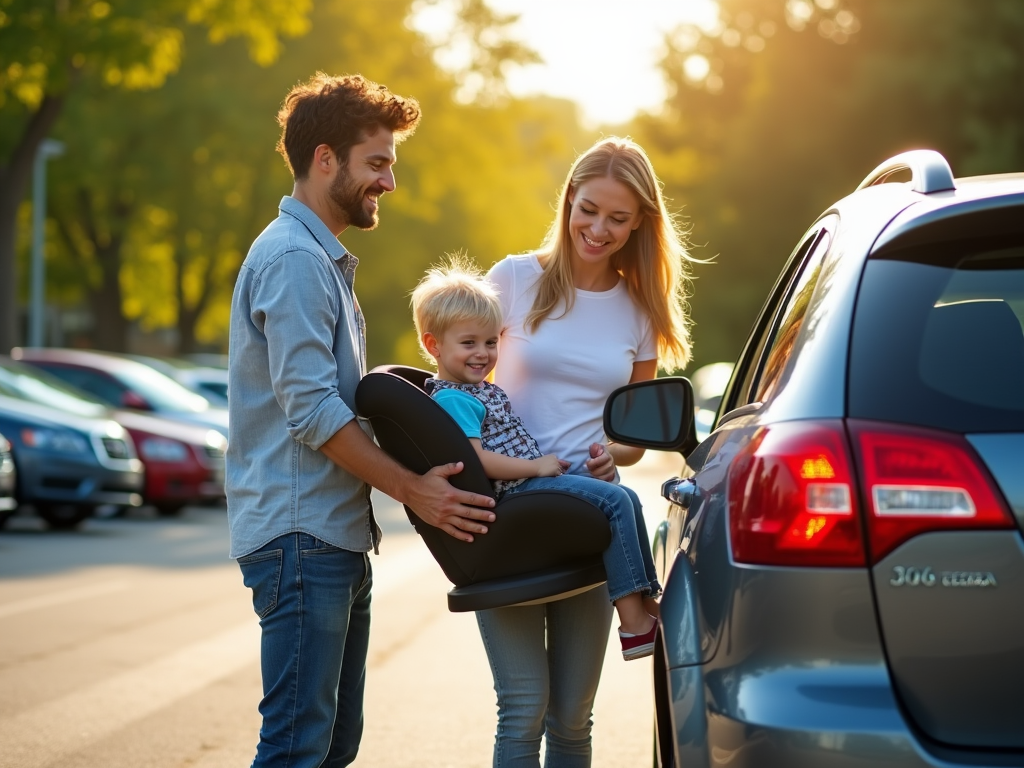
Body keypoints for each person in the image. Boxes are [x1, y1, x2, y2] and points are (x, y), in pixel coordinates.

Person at [226, 73, 496, 768]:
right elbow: (313, 411)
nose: (389, 183)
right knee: (297, 748)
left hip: (332, 537)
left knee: (331, 747)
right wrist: (415, 489)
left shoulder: (322, 261)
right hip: (300, 538)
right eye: (376, 163)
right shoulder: (293, 261)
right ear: (325, 160)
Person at [481, 136, 695, 767]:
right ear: (569, 199)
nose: (597, 229)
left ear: (638, 226)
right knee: (522, 710)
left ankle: (636, 609)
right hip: (508, 514)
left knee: (572, 719)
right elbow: (459, 379)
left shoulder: (639, 310)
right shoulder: (513, 279)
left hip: (588, 521)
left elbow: (630, 435)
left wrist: (614, 456)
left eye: (618, 218)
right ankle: (642, 607)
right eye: (589, 209)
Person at [410, 257, 662, 657]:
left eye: (492, 342)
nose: (483, 354)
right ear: (433, 345)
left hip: (532, 484)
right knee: (615, 500)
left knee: (627, 497)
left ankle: (646, 602)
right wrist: (536, 466)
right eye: (469, 343)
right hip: (518, 490)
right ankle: (633, 621)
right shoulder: (453, 398)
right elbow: (478, 461)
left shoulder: (476, 391)